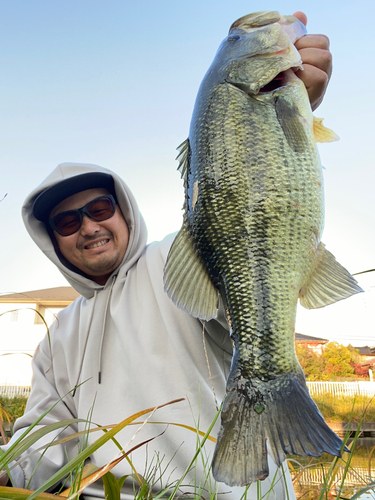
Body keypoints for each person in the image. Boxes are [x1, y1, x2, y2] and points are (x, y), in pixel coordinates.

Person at [0, 12, 332, 500]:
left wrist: (290, 105)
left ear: (125, 212)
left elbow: (244, 227)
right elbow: (46, 443)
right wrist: (13, 466)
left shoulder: (171, 262)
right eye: (68, 222)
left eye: (99, 208)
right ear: (53, 240)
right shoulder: (57, 338)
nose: (89, 226)